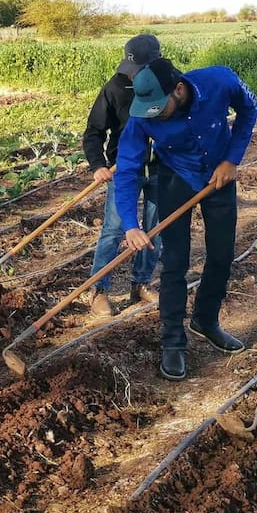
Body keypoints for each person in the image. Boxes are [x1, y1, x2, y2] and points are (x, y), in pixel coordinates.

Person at [118, 57, 257, 380]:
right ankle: (173, 342)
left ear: (178, 89)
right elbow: (127, 168)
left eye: (159, 106)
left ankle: (205, 321)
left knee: (222, 255)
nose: (153, 113)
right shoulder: (142, 116)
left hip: (219, 174)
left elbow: (251, 108)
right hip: (176, 177)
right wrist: (130, 223)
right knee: (175, 262)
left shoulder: (220, 81)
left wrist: (231, 159)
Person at [82, 34, 163, 316]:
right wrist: (98, 165)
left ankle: (141, 283)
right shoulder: (115, 87)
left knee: (154, 228)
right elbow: (93, 132)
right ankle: (98, 290)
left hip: (159, 169)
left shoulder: (167, 83)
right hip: (123, 168)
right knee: (115, 230)